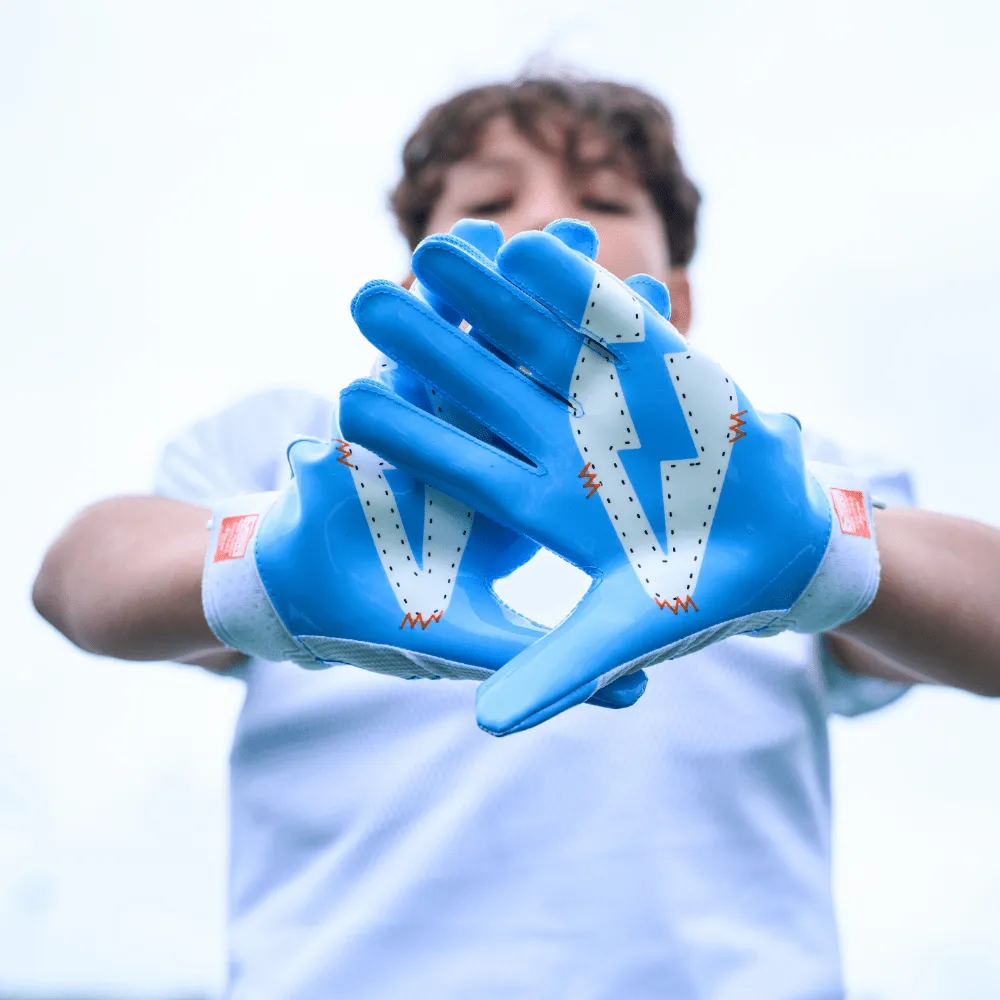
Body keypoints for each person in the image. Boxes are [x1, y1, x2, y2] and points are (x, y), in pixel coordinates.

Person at [31, 76, 1000, 999]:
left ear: (679, 294)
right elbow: (77, 580)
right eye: (490, 196)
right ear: (415, 269)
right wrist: (267, 564)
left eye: (603, 199)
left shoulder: (768, 466)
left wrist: (823, 549)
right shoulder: (319, 451)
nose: (541, 216)